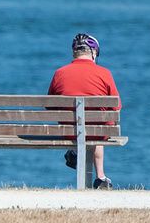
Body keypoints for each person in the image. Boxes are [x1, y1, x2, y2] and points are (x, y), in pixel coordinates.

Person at [48, 33, 121, 190]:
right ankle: (100, 177)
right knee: (100, 124)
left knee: (83, 124)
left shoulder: (59, 73)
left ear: (74, 52)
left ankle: (74, 151)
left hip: (69, 131)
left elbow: (50, 105)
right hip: (98, 132)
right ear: (94, 53)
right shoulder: (105, 73)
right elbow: (116, 106)